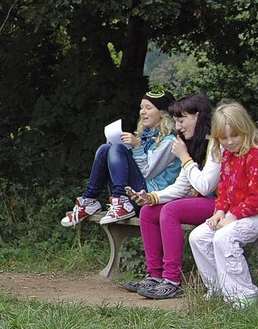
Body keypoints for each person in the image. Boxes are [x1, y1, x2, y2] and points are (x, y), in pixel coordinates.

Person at [120, 94, 219, 299]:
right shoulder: (193, 143)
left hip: (222, 205)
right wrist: (151, 197)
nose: (178, 127)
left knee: (171, 210)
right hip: (204, 201)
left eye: (181, 121)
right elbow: (181, 187)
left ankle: (172, 280)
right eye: (175, 122)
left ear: (198, 117)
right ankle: (154, 275)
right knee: (148, 211)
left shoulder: (216, 144)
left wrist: (184, 158)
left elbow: (206, 185)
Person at [188, 101, 258, 309]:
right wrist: (220, 211)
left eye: (235, 135)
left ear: (246, 130)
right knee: (199, 236)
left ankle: (243, 295)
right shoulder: (228, 157)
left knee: (225, 236)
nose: (230, 142)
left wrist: (232, 218)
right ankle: (218, 288)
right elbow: (223, 188)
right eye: (224, 138)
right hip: (239, 212)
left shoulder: (257, 157)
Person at [61, 90, 181, 227]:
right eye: (141, 108)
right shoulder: (145, 136)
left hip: (149, 197)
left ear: (162, 113)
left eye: (148, 108)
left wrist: (136, 146)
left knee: (117, 149)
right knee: (105, 149)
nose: (143, 112)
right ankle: (89, 200)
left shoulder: (169, 142)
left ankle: (120, 200)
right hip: (134, 193)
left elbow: (147, 173)